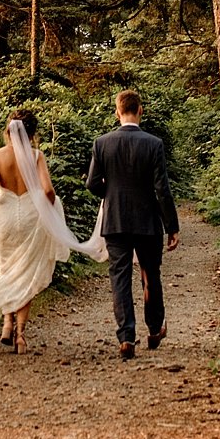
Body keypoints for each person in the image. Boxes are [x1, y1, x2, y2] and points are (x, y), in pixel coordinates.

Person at [0, 109, 106, 352]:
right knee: (27, 272)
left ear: (8, 130)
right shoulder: (36, 156)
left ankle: (6, 324)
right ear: (33, 134)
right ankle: (21, 334)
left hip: (5, 218)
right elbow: (48, 191)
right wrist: (48, 209)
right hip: (31, 217)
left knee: (7, 268)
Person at [85, 89, 178, 360]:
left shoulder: (102, 143)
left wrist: (112, 196)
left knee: (120, 278)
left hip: (115, 220)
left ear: (117, 112)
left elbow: (92, 183)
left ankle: (126, 337)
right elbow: (162, 189)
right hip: (147, 221)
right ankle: (153, 329)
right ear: (140, 110)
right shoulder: (154, 143)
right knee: (151, 275)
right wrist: (171, 225)